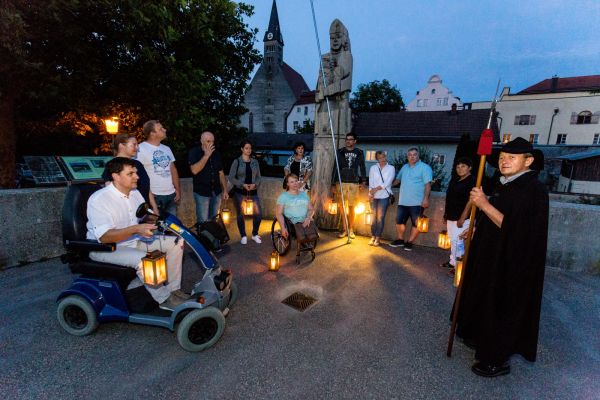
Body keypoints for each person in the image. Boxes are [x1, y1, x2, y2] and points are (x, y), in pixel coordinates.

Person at [453, 137, 549, 377]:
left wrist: (484, 205)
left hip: (511, 265)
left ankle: (496, 360)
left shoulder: (533, 190)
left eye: (512, 158)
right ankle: (478, 337)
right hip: (491, 257)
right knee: (484, 300)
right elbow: (499, 216)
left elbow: (518, 230)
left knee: (502, 308)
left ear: (529, 161)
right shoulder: (506, 183)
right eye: (503, 157)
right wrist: (478, 226)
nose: (504, 161)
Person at [87, 157, 186, 311]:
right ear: (115, 176)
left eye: (136, 173)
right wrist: (136, 229)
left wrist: (156, 220)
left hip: (133, 240)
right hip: (106, 247)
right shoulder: (99, 199)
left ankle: (173, 290)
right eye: (130, 173)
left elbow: (143, 215)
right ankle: (164, 299)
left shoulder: (134, 193)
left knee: (176, 242)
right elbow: (105, 237)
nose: (137, 177)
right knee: (145, 260)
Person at [101, 133, 159, 215]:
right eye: (134, 145)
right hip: (129, 213)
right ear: (121, 146)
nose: (137, 148)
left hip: (145, 211)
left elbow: (147, 188)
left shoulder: (138, 164)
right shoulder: (112, 166)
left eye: (137, 145)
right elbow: (112, 194)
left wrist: (154, 208)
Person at [389, 148, 432, 251]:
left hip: (417, 202)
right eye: (410, 155)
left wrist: (425, 199)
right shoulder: (404, 167)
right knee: (399, 221)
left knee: (416, 223)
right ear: (407, 157)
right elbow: (397, 180)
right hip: (403, 201)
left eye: (414, 154)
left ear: (418, 156)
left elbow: (428, 185)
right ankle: (400, 240)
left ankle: (410, 242)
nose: (412, 157)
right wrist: (385, 185)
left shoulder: (425, 168)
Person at [137, 120, 181, 215]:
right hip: (154, 196)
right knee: (155, 227)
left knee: (172, 227)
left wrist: (177, 190)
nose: (164, 130)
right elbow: (137, 174)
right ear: (152, 134)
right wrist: (147, 194)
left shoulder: (167, 148)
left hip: (171, 195)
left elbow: (173, 170)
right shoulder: (140, 149)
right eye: (161, 129)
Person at [441, 157, 475, 274]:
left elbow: (471, 201)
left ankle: (458, 266)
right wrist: (446, 215)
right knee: (452, 240)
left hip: (462, 217)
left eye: (463, 166)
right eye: (458, 167)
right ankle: (452, 261)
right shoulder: (455, 180)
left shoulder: (472, 181)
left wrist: (463, 217)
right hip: (451, 215)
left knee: (458, 241)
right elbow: (449, 198)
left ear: (469, 168)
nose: (460, 169)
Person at [188, 131, 229, 224]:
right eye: (208, 141)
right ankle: (202, 239)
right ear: (201, 141)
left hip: (217, 192)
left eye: (212, 141)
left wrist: (225, 190)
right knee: (203, 222)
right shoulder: (194, 152)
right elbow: (194, 170)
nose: (211, 144)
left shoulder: (217, 154)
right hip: (202, 193)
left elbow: (221, 173)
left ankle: (213, 238)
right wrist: (206, 155)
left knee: (213, 220)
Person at [332, 132, 367, 239]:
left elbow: (362, 167)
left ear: (355, 141)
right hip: (341, 183)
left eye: (351, 139)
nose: (348, 141)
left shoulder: (359, 152)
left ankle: (351, 230)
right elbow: (335, 167)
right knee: (342, 208)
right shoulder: (340, 152)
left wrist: (363, 181)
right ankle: (345, 229)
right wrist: (333, 183)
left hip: (353, 183)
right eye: (347, 139)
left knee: (352, 208)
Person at [228, 140, 262, 245]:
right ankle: (243, 235)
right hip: (240, 192)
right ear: (242, 149)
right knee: (240, 214)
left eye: (250, 148)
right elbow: (231, 177)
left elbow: (259, 177)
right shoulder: (236, 162)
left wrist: (254, 185)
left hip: (253, 192)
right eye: (246, 148)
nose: (249, 150)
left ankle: (254, 234)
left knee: (258, 214)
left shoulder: (255, 162)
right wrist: (241, 184)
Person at [276, 174, 318, 243]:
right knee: (302, 237)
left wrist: (308, 217)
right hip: (293, 223)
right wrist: (283, 228)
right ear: (287, 184)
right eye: (292, 182)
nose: (295, 183)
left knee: (313, 236)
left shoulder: (304, 195)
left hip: (306, 220)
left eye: (296, 181)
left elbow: (311, 209)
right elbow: (278, 213)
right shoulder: (283, 196)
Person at [367, 151, 395, 246]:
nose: (382, 159)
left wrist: (376, 188)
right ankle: (373, 236)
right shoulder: (373, 168)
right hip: (374, 195)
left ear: (385, 157)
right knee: (373, 217)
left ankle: (378, 238)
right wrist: (370, 194)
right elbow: (370, 181)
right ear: (377, 159)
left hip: (384, 195)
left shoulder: (391, 168)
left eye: (383, 157)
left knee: (380, 217)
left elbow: (388, 182)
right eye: (379, 158)